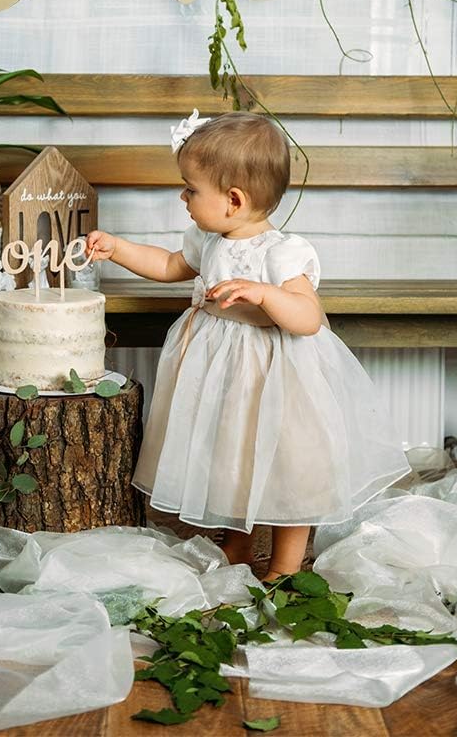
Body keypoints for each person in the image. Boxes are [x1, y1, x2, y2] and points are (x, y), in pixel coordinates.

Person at [86, 110, 410, 580]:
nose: (183, 195)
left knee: (289, 468)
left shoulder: (281, 253)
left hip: (275, 376)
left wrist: (265, 293)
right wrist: (118, 248)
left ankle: (284, 565)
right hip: (223, 374)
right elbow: (169, 265)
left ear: (234, 200)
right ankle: (236, 543)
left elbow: (308, 318)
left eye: (191, 189)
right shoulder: (209, 238)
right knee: (230, 460)